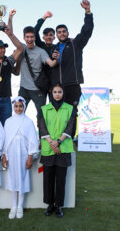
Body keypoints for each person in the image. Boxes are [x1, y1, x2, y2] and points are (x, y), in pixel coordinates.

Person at [51, 0, 94, 138]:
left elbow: (87, 31)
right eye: (59, 32)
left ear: (67, 32)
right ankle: (57, 137)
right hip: (58, 87)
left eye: (64, 32)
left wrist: (87, 12)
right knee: (57, 113)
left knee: (71, 113)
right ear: (56, 35)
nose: (62, 34)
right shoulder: (54, 48)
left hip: (73, 85)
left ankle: (69, 137)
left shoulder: (76, 44)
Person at [38, 83, 76, 218]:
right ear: (51, 94)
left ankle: (59, 206)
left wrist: (59, 142)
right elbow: (42, 127)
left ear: (63, 93)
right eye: (55, 92)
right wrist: (52, 143)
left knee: (61, 180)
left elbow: (70, 127)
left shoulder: (70, 108)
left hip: (63, 149)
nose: (57, 94)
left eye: (60, 92)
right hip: (49, 149)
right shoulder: (43, 109)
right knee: (48, 179)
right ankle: (50, 205)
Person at [2, 96, 39, 219]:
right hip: (11, 153)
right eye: (16, 106)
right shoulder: (8, 121)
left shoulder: (28, 121)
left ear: (24, 107)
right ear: (13, 107)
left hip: (23, 153)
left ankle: (20, 206)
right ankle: (13, 205)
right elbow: (5, 140)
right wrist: (4, 155)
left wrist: (29, 157)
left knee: (22, 178)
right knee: (12, 178)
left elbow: (32, 141)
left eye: (20, 106)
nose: (18, 108)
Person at [18, 26, 58, 121]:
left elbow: (51, 64)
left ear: (35, 37)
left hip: (38, 90)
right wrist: (10, 18)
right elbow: (11, 35)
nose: (29, 39)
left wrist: (56, 59)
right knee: (19, 114)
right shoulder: (22, 48)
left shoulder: (41, 51)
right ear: (24, 38)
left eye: (32, 37)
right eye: (27, 37)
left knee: (41, 116)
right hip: (23, 88)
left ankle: (43, 136)